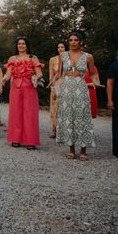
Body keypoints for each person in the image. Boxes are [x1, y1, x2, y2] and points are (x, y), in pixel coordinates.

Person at [50, 31, 97, 161]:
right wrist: (54, 87)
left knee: (81, 117)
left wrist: (95, 82)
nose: (73, 42)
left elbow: (93, 73)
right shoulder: (63, 55)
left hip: (81, 88)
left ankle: (83, 151)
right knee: (68, 117)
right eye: (70, 40)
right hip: (66, 88)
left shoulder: (88, 57)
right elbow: (59, 74)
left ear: (81, 42)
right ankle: (71, 150)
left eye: (76, 40)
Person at [1, 37, 42, 150]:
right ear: (16, 46)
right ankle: (15, 139)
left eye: (23, 44)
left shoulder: (33, 58)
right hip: (15, 88)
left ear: (27, 46)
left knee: (30, 113)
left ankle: (31, 141)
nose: (21, 45)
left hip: (29, 87)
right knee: (16, 112)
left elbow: (39, 73)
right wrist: (4, 79)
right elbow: (9, 73)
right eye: (19, 44)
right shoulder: (12, 58)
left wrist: (36, 77)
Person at [48, 42, 66, 138]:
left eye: (62, 47)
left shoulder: (70, 58)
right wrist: (53, 86)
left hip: (67, 84)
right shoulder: (53, 59)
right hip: (57, 84)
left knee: (65, 106)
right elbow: (51, 75)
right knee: (55, 106)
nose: (60, 49)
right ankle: (54, 129)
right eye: (58, 47)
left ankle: (64, 129)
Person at [107, 53, 118, 157]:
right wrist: (110, 100)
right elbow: (110, 83)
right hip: (116, 98)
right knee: (116, 125)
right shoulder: (114, 65)